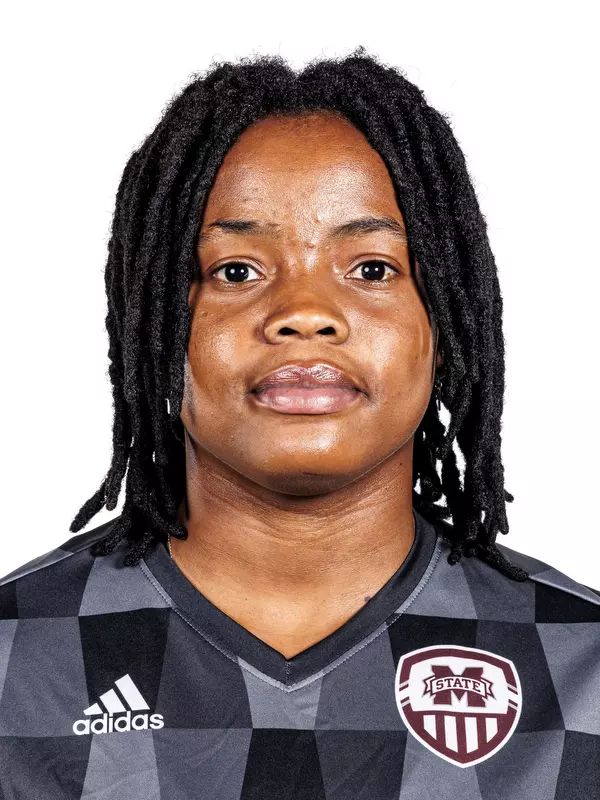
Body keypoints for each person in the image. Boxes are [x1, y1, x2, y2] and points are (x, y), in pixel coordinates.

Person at [0, 48, 598, 799]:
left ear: (444, 318)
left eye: (372, 268)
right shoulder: (16, 658)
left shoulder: (581, 665)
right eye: (236, 271)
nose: (303, 314)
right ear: (152, 321)